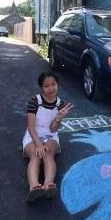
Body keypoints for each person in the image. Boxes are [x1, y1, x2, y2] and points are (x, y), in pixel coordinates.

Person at [22, 72, 74, 202]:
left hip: (51, 135)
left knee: (48, 153)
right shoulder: (34, 101)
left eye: (53, 84)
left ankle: (48, 184)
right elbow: (31, 126)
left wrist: (58, 118)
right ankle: (34, 186)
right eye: (47, 86)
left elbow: (53, 129)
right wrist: (39, 144)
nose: (51, 88)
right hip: (33, 135)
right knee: (35, 154)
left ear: (57, 85)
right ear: (41, 88)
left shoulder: (60, 104)